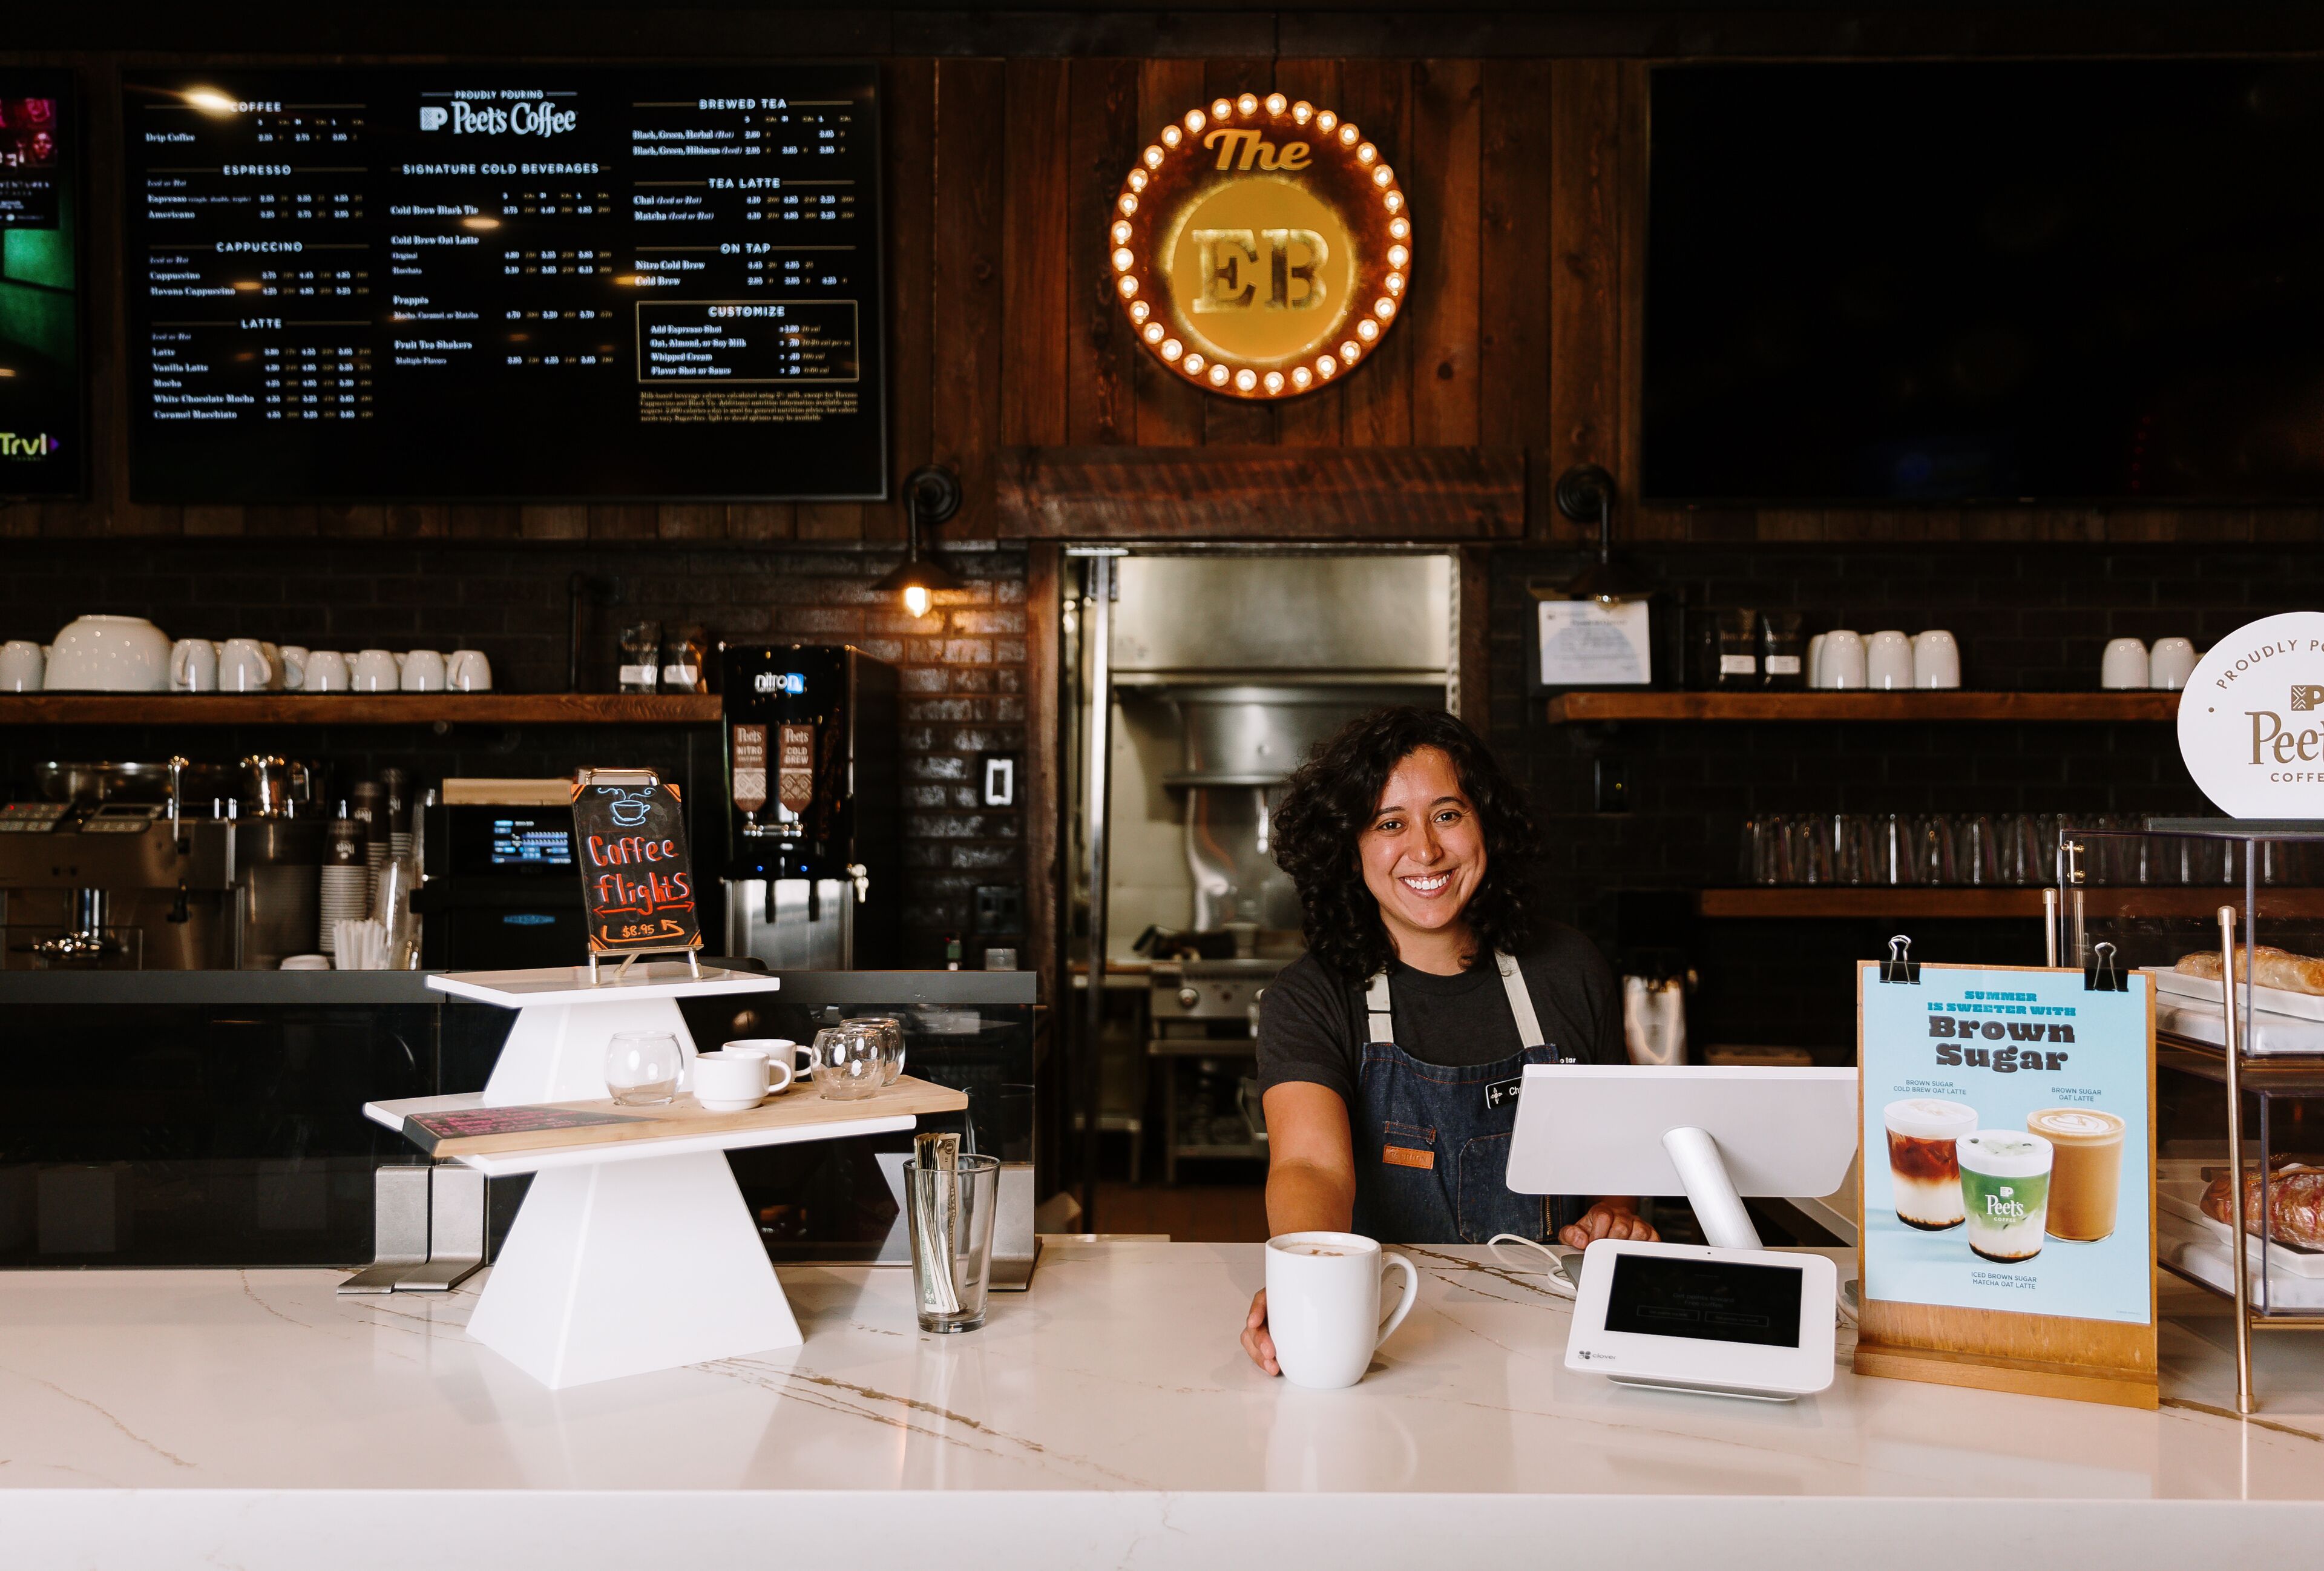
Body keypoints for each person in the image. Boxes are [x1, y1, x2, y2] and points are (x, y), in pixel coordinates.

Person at [1240, 706, 1656, 1375]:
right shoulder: (1312, 997)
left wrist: (1614, 1212)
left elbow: (1618, 1144)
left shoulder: (1569, 969)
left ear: (1485, 822)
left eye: (1448, 814)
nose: (1426, 850)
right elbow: (1310, 1168)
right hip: (1394, 1328)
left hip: (1560, 1341)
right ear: (1350, 847)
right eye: (1389, 823)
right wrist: (1311, 1280)